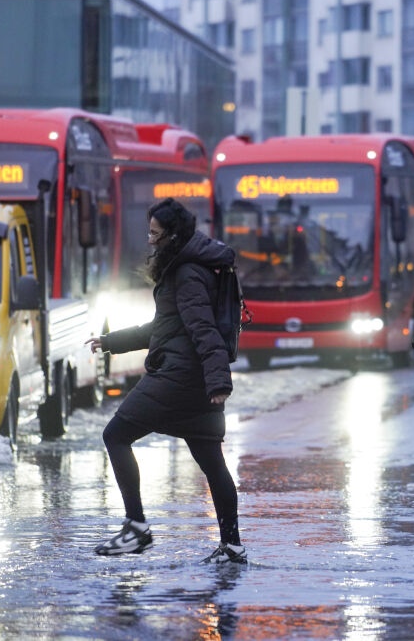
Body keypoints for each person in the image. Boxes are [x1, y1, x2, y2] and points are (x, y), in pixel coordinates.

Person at [87, 198, 246, 564]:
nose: (150, 240)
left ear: (173, 236)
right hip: (194, 382)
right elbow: (164, 329)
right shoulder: (187, 268)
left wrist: (219, 381)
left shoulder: (187, 274)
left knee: (116, 435)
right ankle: (232, 546)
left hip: (178, 378)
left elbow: (203, 330)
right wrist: (111, 342)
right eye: (149, 231)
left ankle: (137, 528)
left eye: (155, 233)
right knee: (212, 461)